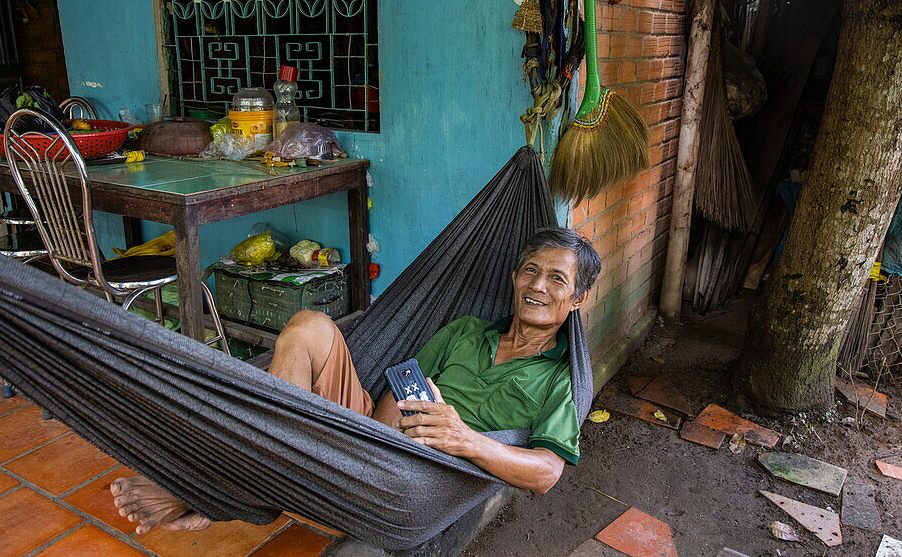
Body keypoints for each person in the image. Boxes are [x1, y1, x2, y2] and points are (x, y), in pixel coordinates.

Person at [111, 227, 601, 534]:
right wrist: (375, 436)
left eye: (557, 279)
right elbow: (402, 382)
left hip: (419, 478)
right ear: (514, 277)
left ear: (576, 299)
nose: (538, 286)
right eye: (531, 272)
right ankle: (279, 452)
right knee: (308, 325)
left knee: (291, 432)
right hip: (375, 437)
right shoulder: (466, 330)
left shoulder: (559, 378)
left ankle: (205, 491)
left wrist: (464, 439)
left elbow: (547, 473)